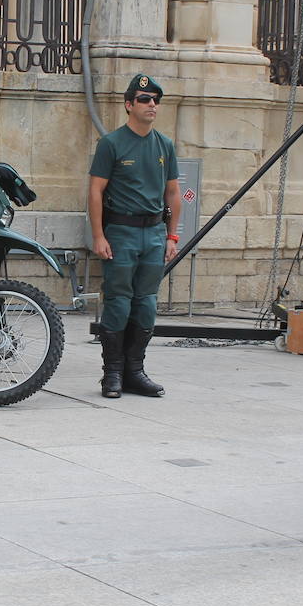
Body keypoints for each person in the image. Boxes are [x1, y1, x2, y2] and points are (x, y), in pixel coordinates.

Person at [88, 73, 181, 399]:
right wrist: (98, 235)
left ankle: (135, 372)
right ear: (129, 105)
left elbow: (173, 194)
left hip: (154, 233)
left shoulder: (164, 145)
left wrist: (172, 237)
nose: (151, 104)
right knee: (118, 303)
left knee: (146, 305)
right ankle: (112, 374)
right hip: (121, 232)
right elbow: (96, 192)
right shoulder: (112, 144)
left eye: (156, 99)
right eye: (144, 99)